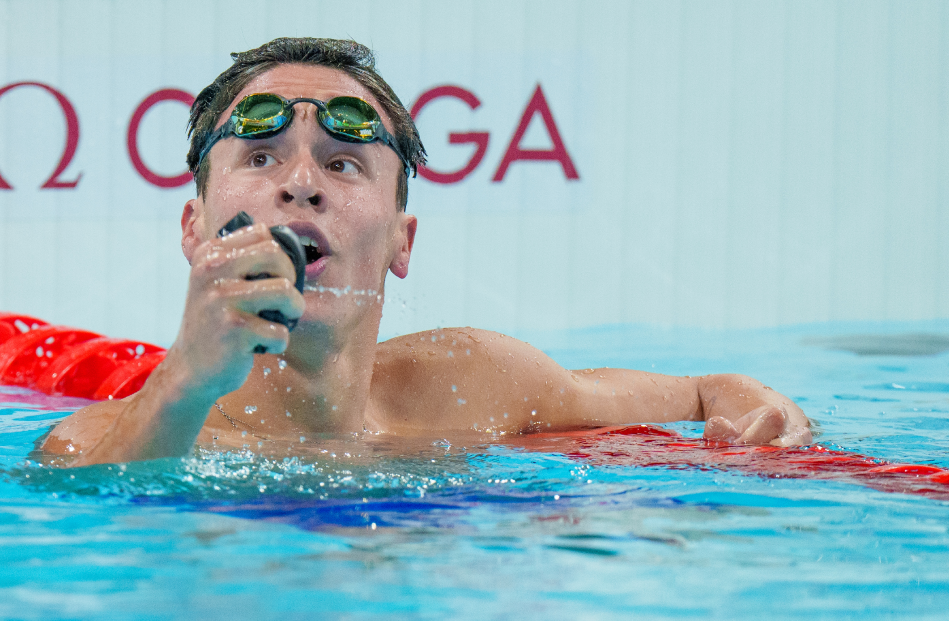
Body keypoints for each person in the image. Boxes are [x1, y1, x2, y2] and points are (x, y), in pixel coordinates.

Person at [40, 38, 811, 467]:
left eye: (343, 164)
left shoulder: (474, 386)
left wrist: (742, 396)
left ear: (402, 242)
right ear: (194, 230)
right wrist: (184, 383)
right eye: (262, 156)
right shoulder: (95, 444)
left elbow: (702, 393)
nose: (302, 183)